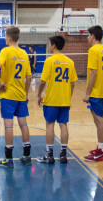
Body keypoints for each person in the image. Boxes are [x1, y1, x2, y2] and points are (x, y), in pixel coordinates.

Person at [0, 26, 32, 168]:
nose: (5, 38)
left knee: (8, 126)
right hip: (21, 96)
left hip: (8, 95)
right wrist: (26, 93)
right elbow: (29, 77)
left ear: (9, 38)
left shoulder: (5, 51)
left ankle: (9, 159)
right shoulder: (24, 54)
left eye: (5, 36)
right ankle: (27, 156)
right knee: (23, 124)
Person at [36, 35, 77, 164]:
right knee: (63, 125)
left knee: (50, 125)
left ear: (53, 45)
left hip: (52, 99)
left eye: (50, 44)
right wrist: (68, 98)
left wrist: (38, 95)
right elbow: (73, 83)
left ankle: (49, 155)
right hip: (64, 100)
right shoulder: (70, 62)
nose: (49, 46)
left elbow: (43, 81)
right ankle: (63, 154)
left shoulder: (50, 61)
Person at [83, 26, 103, 162]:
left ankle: (101, 151)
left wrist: (87, 93)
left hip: (96, 90)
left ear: (93, 36)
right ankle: (100, 147)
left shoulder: (93, 50)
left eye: (88, 35)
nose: (87, 38)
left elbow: (93, 72)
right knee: (97, 119)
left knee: (99, 119)